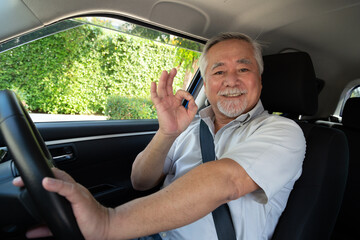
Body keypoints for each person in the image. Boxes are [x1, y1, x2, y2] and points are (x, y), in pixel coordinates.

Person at [13, 32, 305, 240]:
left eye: (244, 68)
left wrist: (109, 222)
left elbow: (226, 181)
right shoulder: (191, 127)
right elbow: (140, 181)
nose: (231, 80)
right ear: (207, 82)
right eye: (218, 72)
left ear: (260, 80)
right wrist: (167, 133)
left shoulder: (283, 132)